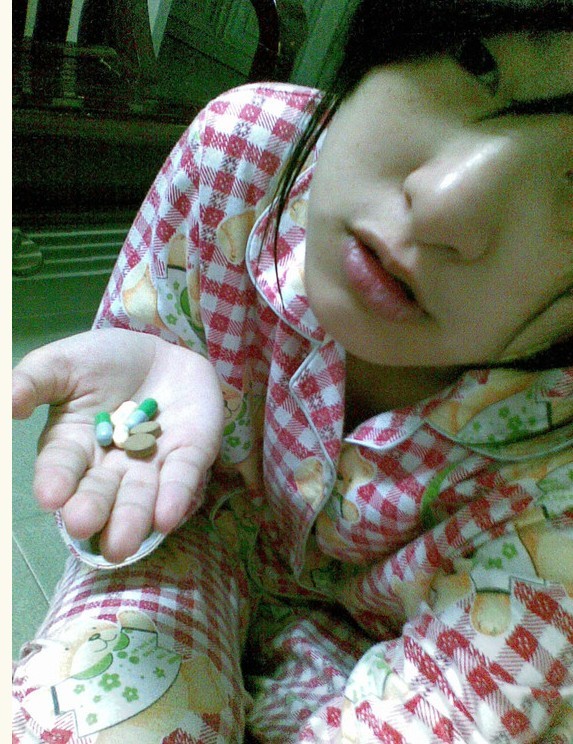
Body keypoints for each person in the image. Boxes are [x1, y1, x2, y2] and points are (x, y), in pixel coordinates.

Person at [12, 0, 573, 740]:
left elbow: (455, 705)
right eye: (476, 57)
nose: (443, 206)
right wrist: (161, 356)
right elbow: (122, 495)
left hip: (407, 648)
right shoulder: (244, 155)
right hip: (204, 537)